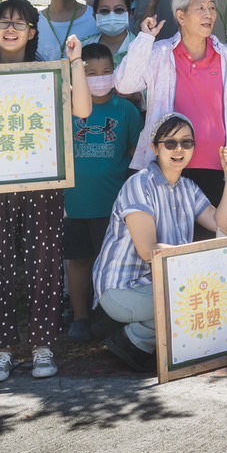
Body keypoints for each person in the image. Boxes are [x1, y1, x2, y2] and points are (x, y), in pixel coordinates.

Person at [0, 0, 92, 384]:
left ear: (32, 31)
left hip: (43, 181)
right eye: (3, 22)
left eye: (20, 23)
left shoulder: (48, 71)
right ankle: (0, 349)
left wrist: (74, 61)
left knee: (45, 263)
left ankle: (43, 345)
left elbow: (83, 111)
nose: (11, 29)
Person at [93, 114, 227, 372]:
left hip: (159, 284)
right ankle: (130, 333)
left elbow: (220, 225)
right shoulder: (140, 184)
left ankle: (134, 340)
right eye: (170, 143)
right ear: (155, 148)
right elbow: (148, 252)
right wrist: (199, 259)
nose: (179, 149)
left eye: (186, 142)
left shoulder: (188, 187)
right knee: (197, 297)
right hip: (121, 289)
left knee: (200, 295)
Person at [117, 0, 227, 227]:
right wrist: (145, 39)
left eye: (211, 8)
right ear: (181, 16)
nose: (208, 14)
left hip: (217, 167)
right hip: (170, 167)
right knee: (174, 244)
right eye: (200, 8)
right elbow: (124, 85)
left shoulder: (226, 58)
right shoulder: (160, 53)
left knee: (218, 240)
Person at [65, 43, 142, 342]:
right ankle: (80, 316)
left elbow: (137, 154)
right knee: (79, 260)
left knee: (110, 260)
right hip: (75, 202)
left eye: (107, 72)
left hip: (114, 204)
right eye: (90, 73)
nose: (99, 78)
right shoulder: (68, 108)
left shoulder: (126, 111)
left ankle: (107, 315)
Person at [91, 0, 138, 69]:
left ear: (130, 14)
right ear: (95, 16)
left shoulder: (143, 48)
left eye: (119, 10)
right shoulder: (82, 48)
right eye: (105, 11)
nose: (112, 15)